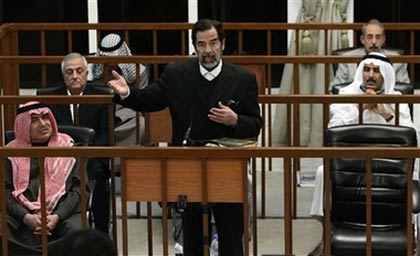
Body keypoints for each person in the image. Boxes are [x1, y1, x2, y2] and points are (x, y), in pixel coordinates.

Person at [107, 18, 262, 256]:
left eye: (213, 43)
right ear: (194, 46)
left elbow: (255, 125)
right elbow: (151, 99)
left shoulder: (243, 78)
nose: (208, 51)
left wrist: (235, 120)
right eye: (201, 45)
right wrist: (127, 93)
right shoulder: (177, 73)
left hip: (226, 167)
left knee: (231, 234)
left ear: (223, 43)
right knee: (191, 235)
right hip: (187, 164)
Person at [308, 52, 417, 256]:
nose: (370, 75)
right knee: (324, 171)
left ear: (385, 75)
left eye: (376, 71)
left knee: (416, 175)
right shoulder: (345, 95)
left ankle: (409, 234)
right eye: (366, 70)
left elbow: (410, 136)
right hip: (350, 164)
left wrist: (386, 113)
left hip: (390, 167)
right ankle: (327, 235)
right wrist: (361, 108)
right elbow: (334, 131)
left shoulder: (397, 99)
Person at [37, 52, 111, 234]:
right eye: (69, 72)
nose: (75, 76)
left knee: (99, 175)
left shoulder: (102, 97)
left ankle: (101, 234)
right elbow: (47, 135)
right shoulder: (50, 99)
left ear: (87, 73)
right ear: (64, 76)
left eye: (79, 71)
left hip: (91, 159)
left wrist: (86, 157)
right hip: (58, 159)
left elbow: (105, 135)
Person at [4, 101, 82, 254]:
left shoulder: (68, 148)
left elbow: (79, 188)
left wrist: (57, 216)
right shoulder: (9, 153)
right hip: (20, 216)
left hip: (62, 215)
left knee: (77, 234)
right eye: (35, 120)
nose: (43, 124)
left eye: (46, 117)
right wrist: (26, 217)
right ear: (23, 126)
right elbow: (4, 192)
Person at [330, 18, 410, 88]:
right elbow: (335, 89)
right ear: (362, 39)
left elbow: (405, 91)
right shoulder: (347, 59)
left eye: (378, 37)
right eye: (369, 37)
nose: (374, 42)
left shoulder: (397, 60)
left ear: (383, 40)